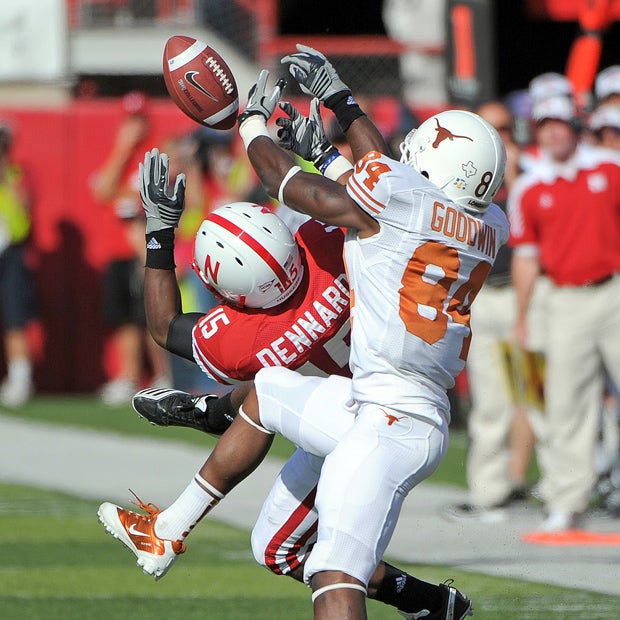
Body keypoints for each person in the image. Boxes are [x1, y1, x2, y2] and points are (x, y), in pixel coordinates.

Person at [99, 45, 508, 619]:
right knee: (270, 407)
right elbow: (387, 188)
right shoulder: (488, 221)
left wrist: (252, 123)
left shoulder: (371, 218)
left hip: (392, 419)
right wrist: (337, 113)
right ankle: (169, 524)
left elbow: (285, 181)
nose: (400, 161)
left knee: (335, 575)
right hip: (383, 399)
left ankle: (215, 413)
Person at [508, 93, 620, 532]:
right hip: (564, 299)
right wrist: (523, 315)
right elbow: (526, 257)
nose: (554, 132)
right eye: (545, 125)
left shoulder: (609, 168)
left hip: (613, 289)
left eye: (560, 123)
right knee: (567, 405)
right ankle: (568, 501)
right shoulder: (529, 187)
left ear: (576, 125)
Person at [444, 100, 546, 522]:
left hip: (531, 297)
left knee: (537, 394)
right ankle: (488, 491)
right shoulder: (464, 172)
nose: (500, 137)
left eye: (504, 128)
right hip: (483, 298)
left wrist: (519, 172)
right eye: (492, 129)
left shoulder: (533, 174)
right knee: (490, 400)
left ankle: (558, 491)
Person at [90, 91, 172, 405]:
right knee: (124, 317)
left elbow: (145, 198)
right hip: (117, 251)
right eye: (130, 119)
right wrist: (122, 147)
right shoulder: (117, 153)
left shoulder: (156, 154)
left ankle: (164, 376)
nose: (135, 126)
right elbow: (103, 192)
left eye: (140, 119)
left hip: (146, 248)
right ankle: (128, 375)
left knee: (151, 314)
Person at [0, 120, 37, 407]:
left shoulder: (16, 174)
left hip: (11, 252)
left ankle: (21, 378)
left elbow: (24, 209)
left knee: (14, 317)